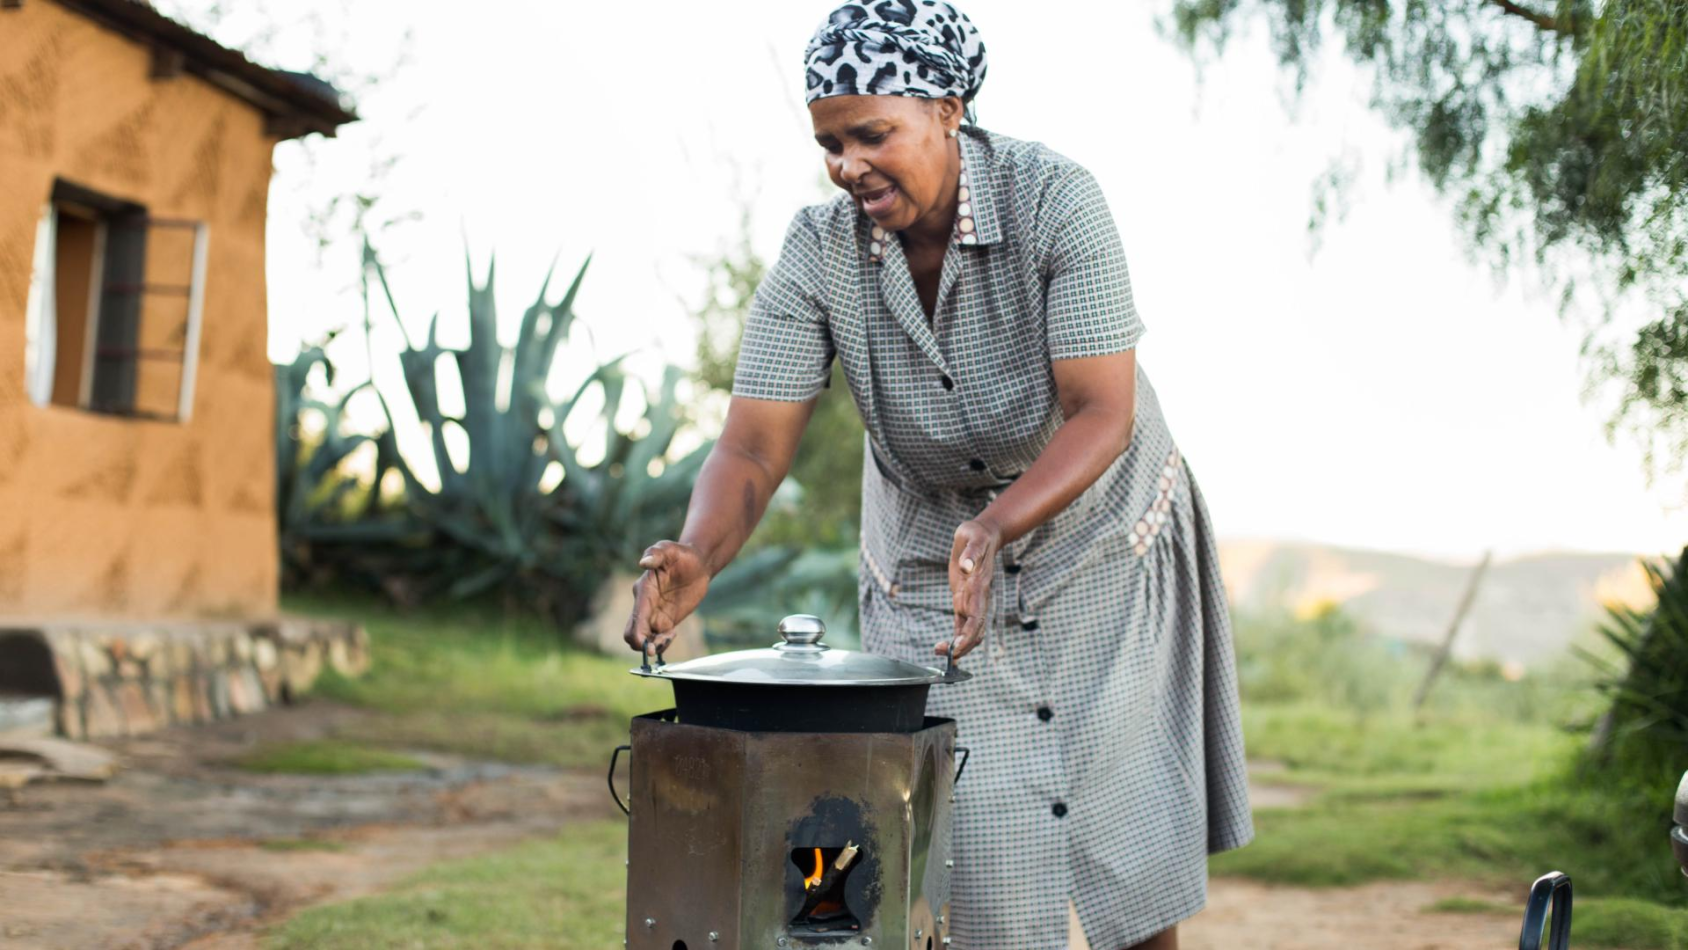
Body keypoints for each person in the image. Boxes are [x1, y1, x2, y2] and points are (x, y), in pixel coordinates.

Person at [622, 3, 1253, 946]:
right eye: (830, 142)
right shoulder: (818, 252)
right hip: (927, 557)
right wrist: (701, 551)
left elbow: (1101, 413)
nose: (847, 166)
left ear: (949, 108)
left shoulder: (1055, 199)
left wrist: (999, 527)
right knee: (972, 843)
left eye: (872, 134)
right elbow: (752, 445)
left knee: (1124, 841)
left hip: (1097, 543)